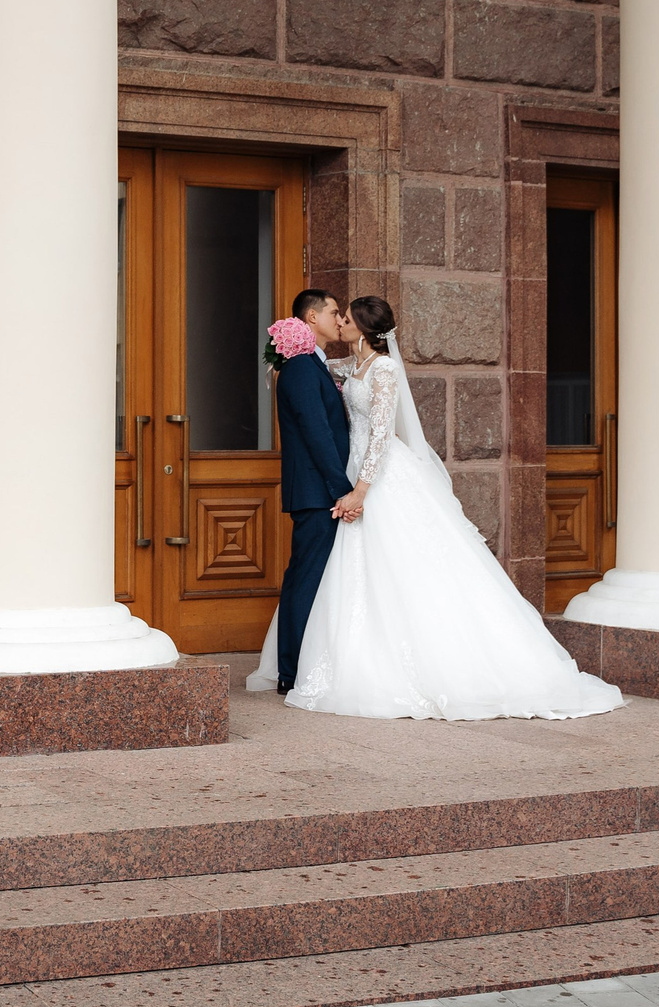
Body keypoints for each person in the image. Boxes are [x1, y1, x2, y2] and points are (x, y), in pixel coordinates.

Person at [255, 294, 623, 721]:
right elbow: (316, 381)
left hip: (371, 478)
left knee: (398, 567)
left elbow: (378, 434)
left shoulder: (385, 369)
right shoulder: (344, 366)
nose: (341, 322)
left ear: (364, 328)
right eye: (337, 315)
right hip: (341, 478)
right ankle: (323, 660)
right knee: (349, 573)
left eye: (347, 318)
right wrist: (282, 354)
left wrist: (359, 489)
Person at [269, 289, 352, 695]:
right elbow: (316, 432)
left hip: (321, 492)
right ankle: (292, 672)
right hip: (317, 494)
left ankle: (304, 666)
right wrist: (343, 489)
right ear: (313, 316)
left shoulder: (315, 365)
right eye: (335, 312)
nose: (340, 320)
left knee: (315, 581)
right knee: (305, 580)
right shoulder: (302, 367)